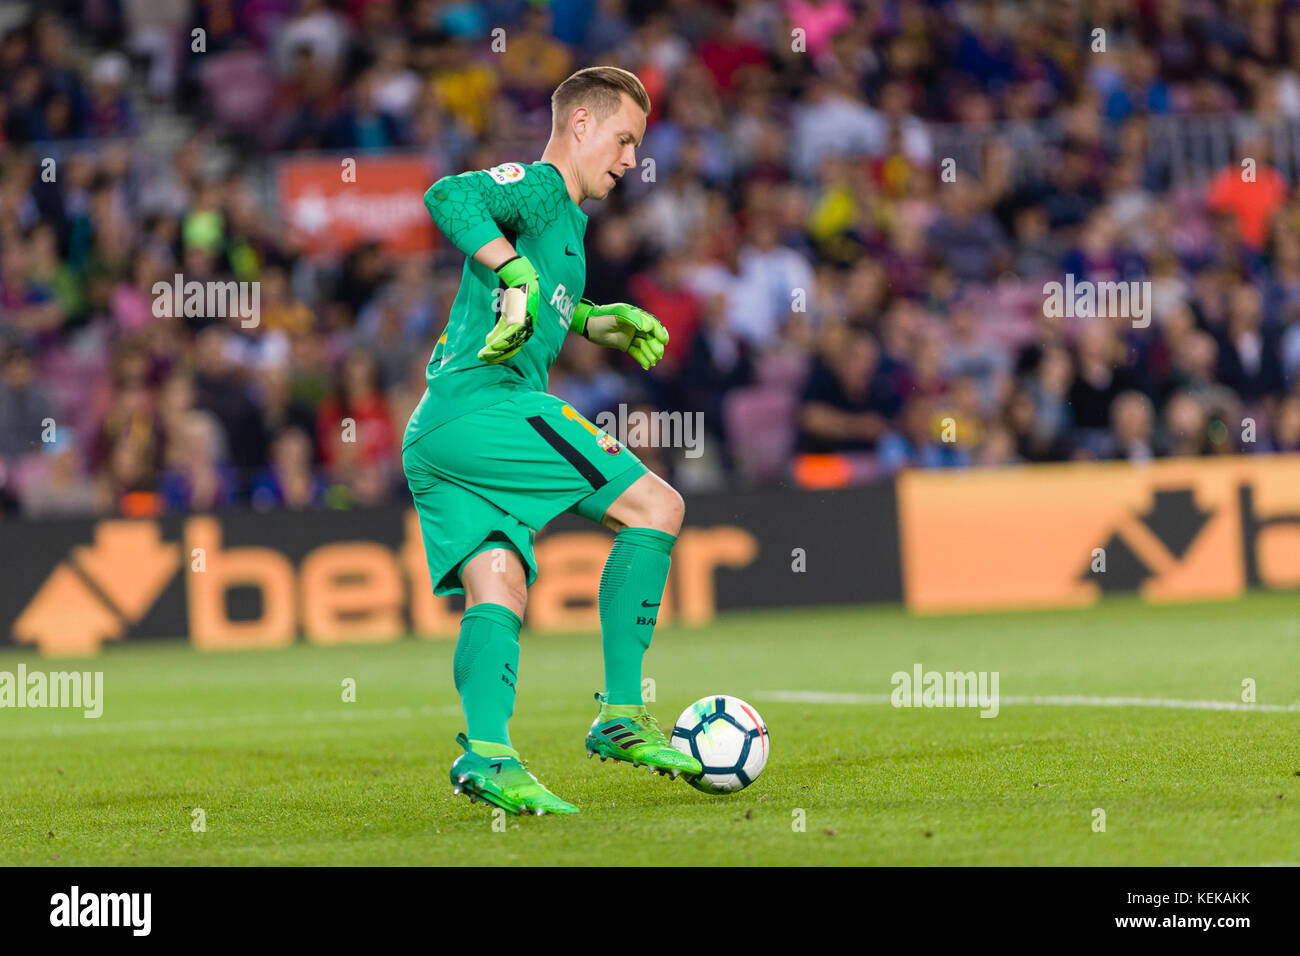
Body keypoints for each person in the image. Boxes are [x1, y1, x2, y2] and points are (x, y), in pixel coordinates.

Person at [402, 66, 699, 816]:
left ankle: (489, 756)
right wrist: (512, 268)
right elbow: (449, 196)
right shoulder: (539, 186)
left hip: (437, 431)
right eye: (624, 139)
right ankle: (623, 716)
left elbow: (537, 299)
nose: (631, 160)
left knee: (498, 582)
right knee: (655, 508)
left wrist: (597, 319)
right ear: (581, 126)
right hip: (487, 408)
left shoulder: (567, 226)